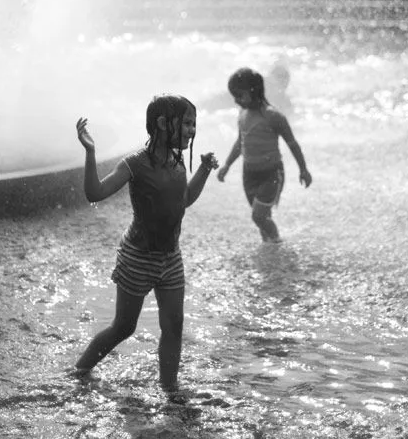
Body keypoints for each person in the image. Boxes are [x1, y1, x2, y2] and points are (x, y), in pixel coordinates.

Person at [73, 95, 218, 400]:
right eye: (188, 123)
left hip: (170, 258)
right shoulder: (135, 163)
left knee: (174, 325)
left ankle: (170, 389)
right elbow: (94, 193)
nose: (192, 130)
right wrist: (91, 152)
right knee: (124, 327)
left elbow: (184, 200)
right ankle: (80, 370)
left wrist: (203, 170)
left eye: (194, 123)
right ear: (164, 124)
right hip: (138, 257)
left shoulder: (177, 161)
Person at [217, 67, 311, 243]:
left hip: (271, 173)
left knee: (258, 216)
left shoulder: (273, 116)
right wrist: (227, 165)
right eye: (234, 96)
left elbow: (292, 144)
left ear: (254, 91)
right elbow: (240, 143)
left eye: (240, 95)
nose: (237, 101)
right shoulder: (243, 114)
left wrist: (303, 169)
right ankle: (269, 246)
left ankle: (276, 244)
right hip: (249, 174)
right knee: (261, 218)